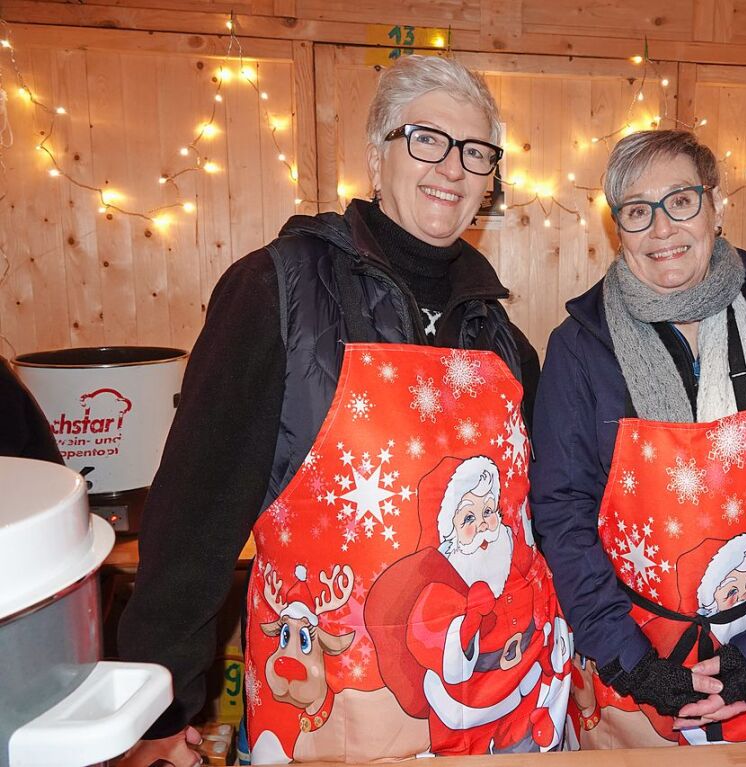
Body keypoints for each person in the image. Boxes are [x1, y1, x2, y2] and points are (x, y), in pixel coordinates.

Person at [118, 55, 573, 765]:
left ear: (490, 178)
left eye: (475, 152)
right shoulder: (278, 291)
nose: (451, 167)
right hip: (329, 714)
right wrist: (156, 703)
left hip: (500, 711)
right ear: (374, 155)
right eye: (426, 138)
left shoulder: (502, 339)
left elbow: (544, 520)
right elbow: (194, 512)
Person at [529, 129, 746, 748]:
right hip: (630, 663)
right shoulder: (578, 349)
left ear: (714, 208)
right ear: (617, 227)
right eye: (637, 210)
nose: (661, 228)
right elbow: (561, 516)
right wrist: (630, 660)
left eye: (680, 200)